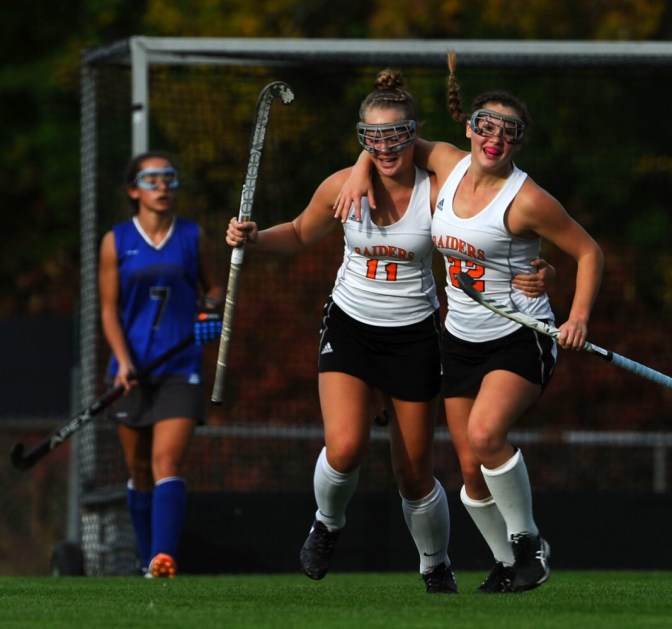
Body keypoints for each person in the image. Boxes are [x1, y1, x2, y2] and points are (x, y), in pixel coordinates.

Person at [226, 70, 553, 594]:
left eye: (396, 136)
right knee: (346, 447)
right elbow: (300, 233)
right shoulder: (341, 184)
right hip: (351, 326)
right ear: (361, 140)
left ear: (413, 135)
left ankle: (435, 564)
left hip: (417, 335)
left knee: (414, 474)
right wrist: (253, 237)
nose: (384, 148)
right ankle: (327, 523)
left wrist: (543, 271)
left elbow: (493, 228)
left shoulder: (441, 187)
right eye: (372, 139)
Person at [336, 52, 604, 593]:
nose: (495, 138)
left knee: (486, 436)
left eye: (509, 132)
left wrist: (575, 315)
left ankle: (529, 544)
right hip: (459, 337)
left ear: (518, 142)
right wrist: (362, 167)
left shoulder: (527, 199)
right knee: (470, 472)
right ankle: (509, 565)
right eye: (487, 126)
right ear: (469, 128)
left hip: (520, 334)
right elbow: (386, 144)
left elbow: (589, 251)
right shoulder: (447, 162)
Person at [99, 151, 224, 578]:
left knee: (165, 461)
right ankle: (144, 557)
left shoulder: (192, 236)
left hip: (180, 366)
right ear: (134, 190)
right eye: (152, 180)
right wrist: (121, 362)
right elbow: (109, 309)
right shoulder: (116, 240)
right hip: (131, 372)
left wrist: (210, 312)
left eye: (169, 178)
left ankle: (162, 557)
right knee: (137, 471)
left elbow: (215, 289)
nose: (163, 187)